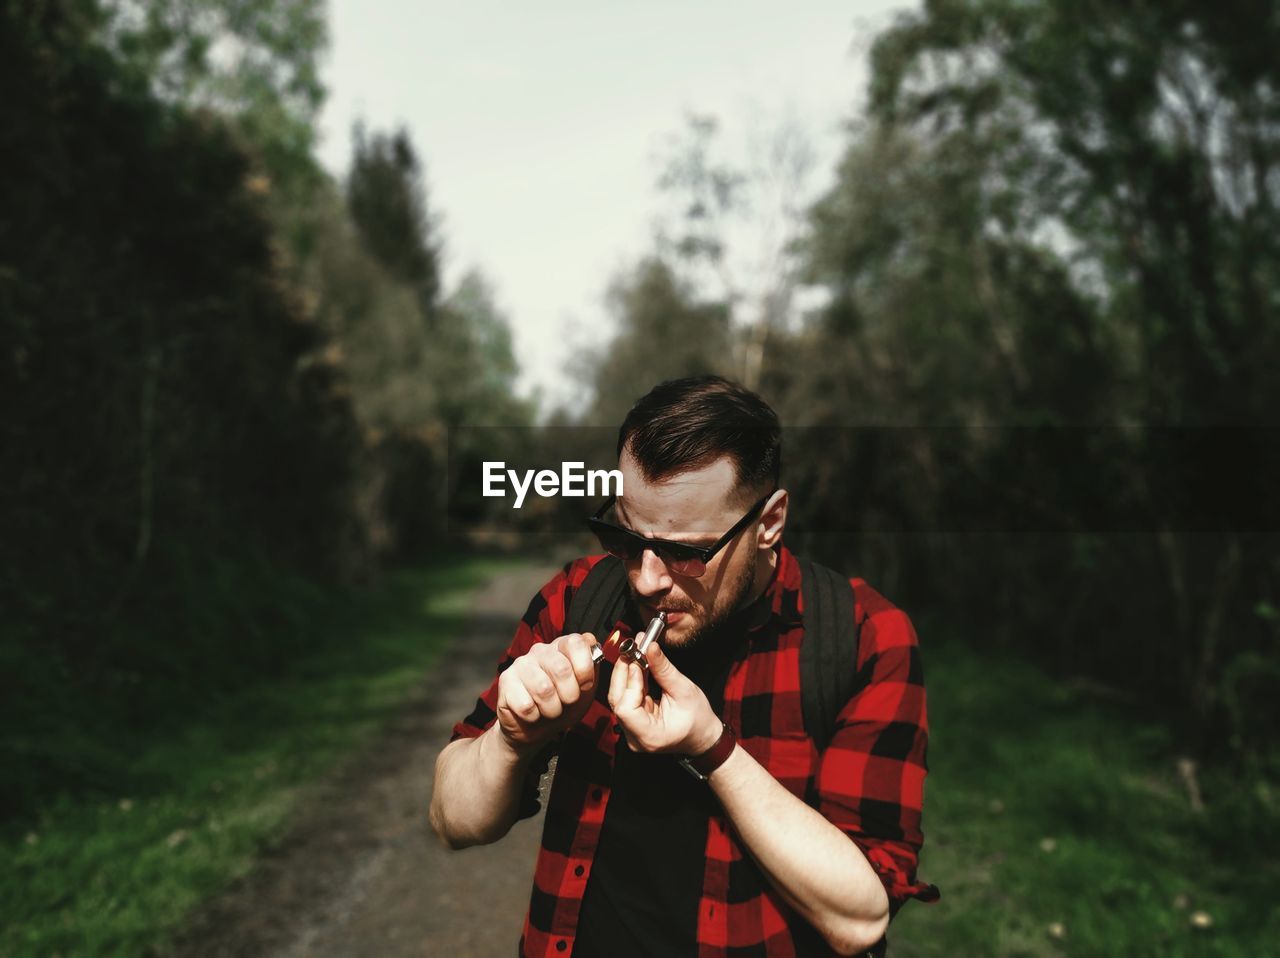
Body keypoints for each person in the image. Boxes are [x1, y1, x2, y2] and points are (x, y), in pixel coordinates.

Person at [429, 376, 937, 957]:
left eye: (686, 552)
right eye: (624, 536)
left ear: (769, 523)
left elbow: (861, 917)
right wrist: (513, 740)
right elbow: (451, 819)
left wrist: (713, 749)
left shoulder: (863, 637)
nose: (646, 579)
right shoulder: (577, 601)